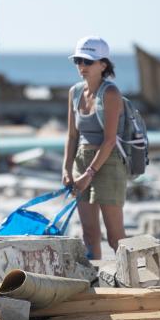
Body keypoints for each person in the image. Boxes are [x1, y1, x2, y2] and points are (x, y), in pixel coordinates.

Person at [62, 36, 128, 259]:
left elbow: (109, 140)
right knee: (89, 233)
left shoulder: (110, 93)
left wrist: (89, 174)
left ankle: (133, 281)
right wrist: (66, 169)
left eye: (88, 61)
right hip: (82, 160)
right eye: (78, 61)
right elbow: (72, 135)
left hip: (108, 162)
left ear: (103, 64)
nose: (82, 66)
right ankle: (96, 283)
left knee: (115, 237)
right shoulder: (75, 92)